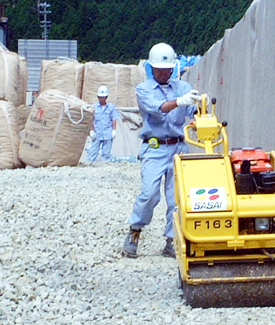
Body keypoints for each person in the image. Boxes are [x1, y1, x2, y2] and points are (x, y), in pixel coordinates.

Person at [122, 43, 200, 258]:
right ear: (151, 68)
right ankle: (135, 231)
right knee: (149, 194)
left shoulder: (183, 87)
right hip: (155, 147)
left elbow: (193, 110)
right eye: (159, 69)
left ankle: (171, 239)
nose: (164, 73)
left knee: (176, 198)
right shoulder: (144, 89)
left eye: (167, 69)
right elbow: (158, 108)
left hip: (178, 147)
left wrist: (198, 106)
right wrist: (179, 102)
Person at [86, 85, 119, 162]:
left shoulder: (111, 107)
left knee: (106, 154)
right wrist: (91, 131)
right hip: (97, 133)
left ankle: (104, 168)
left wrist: (114, 130)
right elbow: (91, 120)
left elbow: (114, 118)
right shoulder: (94, 107)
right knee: (92, 152)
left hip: (107, 133)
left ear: (106, 97)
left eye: (103, 97)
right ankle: (89, 166)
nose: (102, 99)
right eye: (100, 97)